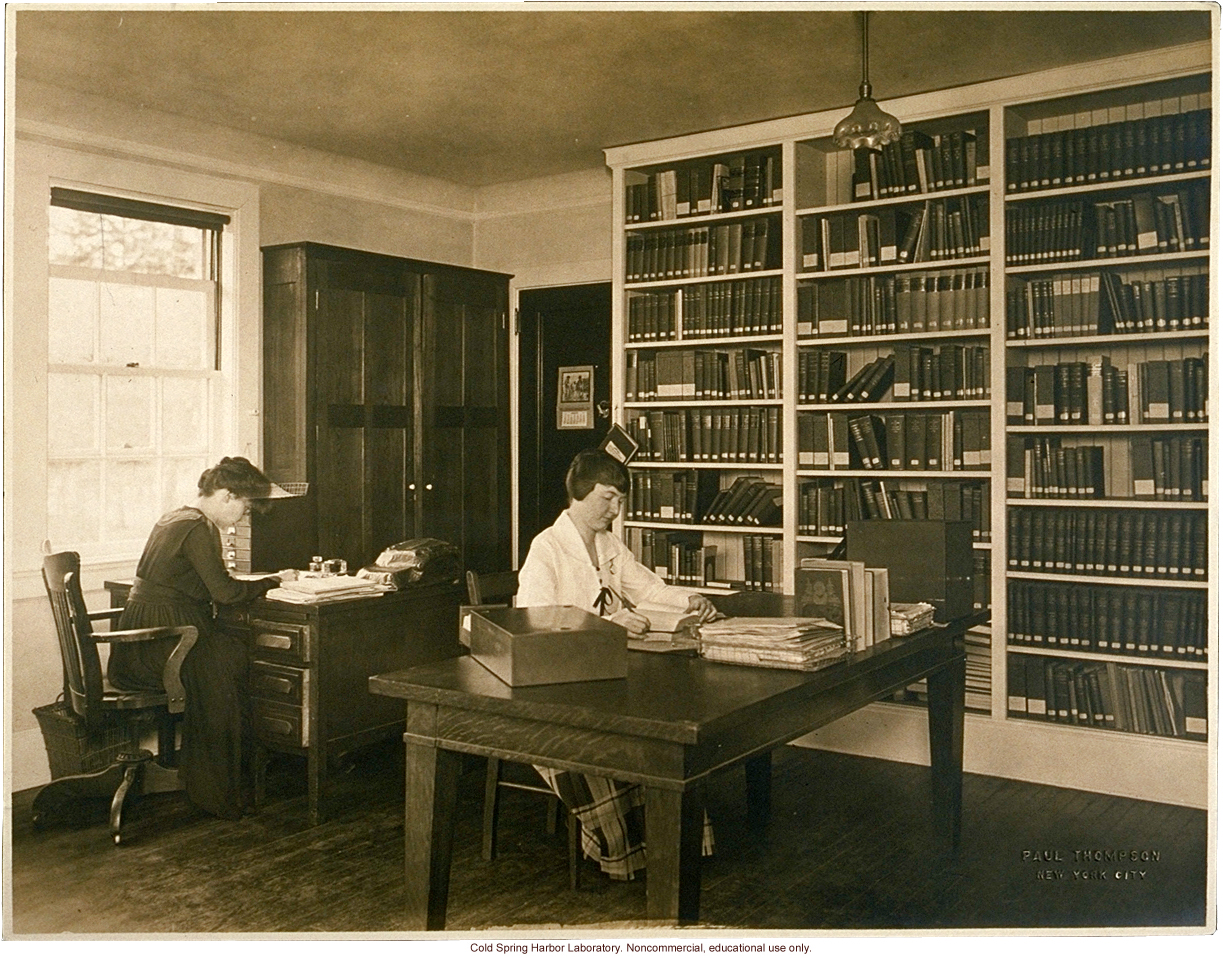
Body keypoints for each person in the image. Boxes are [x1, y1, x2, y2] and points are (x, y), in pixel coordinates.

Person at [516, 448, 719, 880]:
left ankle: (666, 848)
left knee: (654, 732)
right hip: (556, 686)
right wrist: (609, 623)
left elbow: (645, 588)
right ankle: (625, 855)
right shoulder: (547, 548)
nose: (616, 509)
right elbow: (535, 623)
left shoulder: (608, 543)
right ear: (580, 493)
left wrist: (690, 599)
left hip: (603, 674)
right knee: (609, 744)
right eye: (608, 498)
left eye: (620, 500)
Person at [107, 457, 297, 820]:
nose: (243, 517)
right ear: (227, 496)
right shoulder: (198, 527)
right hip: (167, 643)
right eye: (244, 508)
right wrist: (275, 581)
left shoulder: (175, 516)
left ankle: (212, 783)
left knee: (224, 652)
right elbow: (225, 593)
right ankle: (215, 792)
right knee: (227, 660)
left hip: (139, 641)